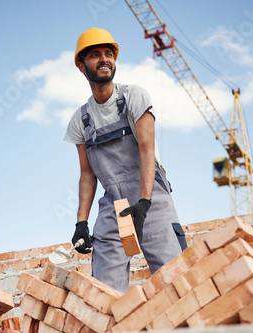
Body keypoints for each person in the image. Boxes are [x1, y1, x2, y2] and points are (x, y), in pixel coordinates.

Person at [64, 27, 185, 293]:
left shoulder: (133, 96)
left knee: (175, 279)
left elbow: (146, 151)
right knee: (106, 291)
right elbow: (87, 174)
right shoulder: (80, 120)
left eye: (109, 53)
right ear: (82, 66)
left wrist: (144, 202)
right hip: (113, 204)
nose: (104, 59)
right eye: (95, 55)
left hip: (150, 195)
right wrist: (81, 223)